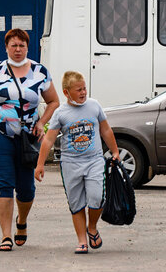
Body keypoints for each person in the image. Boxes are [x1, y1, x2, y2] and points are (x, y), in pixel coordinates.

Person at [0, 28, 60, 252]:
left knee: (26, 188)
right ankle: (6, 236)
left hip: (28, 138)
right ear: (6, 47)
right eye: (13, 45)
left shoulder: (39, 71)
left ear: (28, 47)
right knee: (4, 183)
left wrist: (41, 122)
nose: (18, 49)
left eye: (21, 45)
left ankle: (21, 222)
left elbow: (54, 101)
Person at [34, 71, 119, 254]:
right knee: (76, 203)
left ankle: (92, 227)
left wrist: (115, 151)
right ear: (66, 93)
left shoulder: (94, 106)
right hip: (70, 163)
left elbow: (105, 130)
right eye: (78, 90)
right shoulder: (60, 113)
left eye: (84, 88)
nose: (83, 92)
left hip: (94, 160)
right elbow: (48, 140)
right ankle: (82, 240)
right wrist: (40, 164)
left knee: (96, 198)